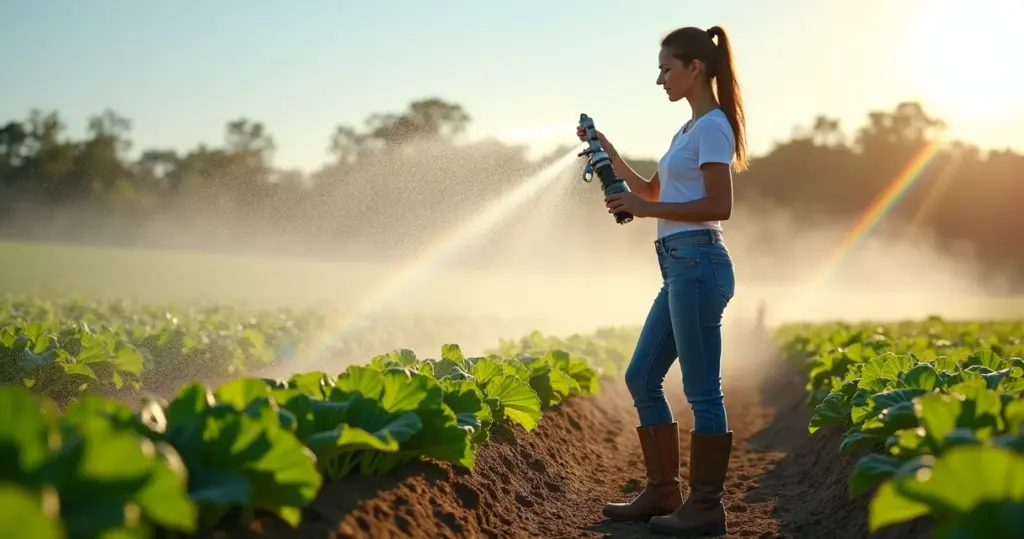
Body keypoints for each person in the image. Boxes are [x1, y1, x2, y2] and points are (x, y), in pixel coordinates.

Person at [575, 25, 747, 537]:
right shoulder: (686, 132)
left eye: (666, 68)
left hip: (699, 263)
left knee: (701, 392)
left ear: (696, 67)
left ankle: (706, 507)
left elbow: (720, 206)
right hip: (678, 266)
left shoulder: (713, 126)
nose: (659, 79)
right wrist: (609, 152)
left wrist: (641, 210)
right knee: (641, 377)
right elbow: (652, 190)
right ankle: (663, 490)